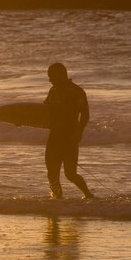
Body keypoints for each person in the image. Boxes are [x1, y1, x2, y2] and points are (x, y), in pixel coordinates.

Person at [43, 63, 94, 199]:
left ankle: (88, 195)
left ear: (61, 74)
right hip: (54, 137)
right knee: (51, 173)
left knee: (70, 174)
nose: (49, 80)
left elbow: (85, 115)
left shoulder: (76, 91)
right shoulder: (53, 91)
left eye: (51, 76)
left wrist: (78, 132)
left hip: (69, 137)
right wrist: (21, 120)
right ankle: (57, 199)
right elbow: (43, 112)